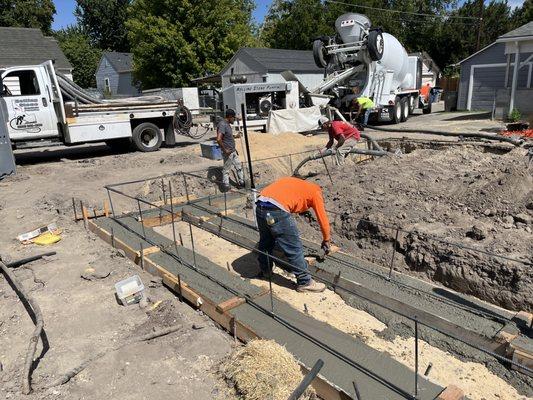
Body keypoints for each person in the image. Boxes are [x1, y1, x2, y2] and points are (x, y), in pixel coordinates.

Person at [255, 176, 331, 293]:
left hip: (261, 204)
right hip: (277, 210)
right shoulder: (316, 192)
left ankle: (266, 271)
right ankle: (305, 282)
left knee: (266, 242)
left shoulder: (294, 183)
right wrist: (327, 239)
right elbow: (323, 219)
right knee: (294, 248)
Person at [216, 109, 245, 191]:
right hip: (228, 152)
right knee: (226, 170)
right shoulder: (222, 124)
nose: (234, 120)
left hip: (233, 151)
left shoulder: (227, 124)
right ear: (229, 117)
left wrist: (236, 136)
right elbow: (218, 139)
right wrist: (225, 150)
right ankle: (226, 187)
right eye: (233, 118)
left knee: (238, 167)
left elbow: (228, 136)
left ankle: (241, 183)